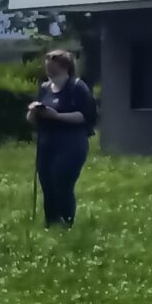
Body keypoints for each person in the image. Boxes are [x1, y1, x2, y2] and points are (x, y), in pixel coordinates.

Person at [24, 48, 96, 226]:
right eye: (47, 64)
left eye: (52, 65)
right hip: (47, 143)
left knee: (61, 181)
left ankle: (66, 223)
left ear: (64, 66)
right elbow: (32, 120)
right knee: (47, 184)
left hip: (71, 143)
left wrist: (56, 116)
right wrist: (33, 112)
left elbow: (85, 116)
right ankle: (51, 224)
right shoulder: (44, 88)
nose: (48, 68)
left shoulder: (77, 87)